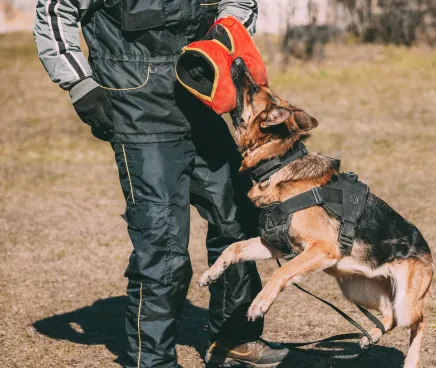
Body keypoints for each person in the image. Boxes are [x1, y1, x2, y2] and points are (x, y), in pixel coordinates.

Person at [33, 0, 288, 367]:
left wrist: (225, 29)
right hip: (139, 113)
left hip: (203, 101)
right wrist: (78, 83)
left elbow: (241, 2)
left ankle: (233, 339)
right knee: (162, 243)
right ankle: (152, 360)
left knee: (238, 222)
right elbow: (55, 11)